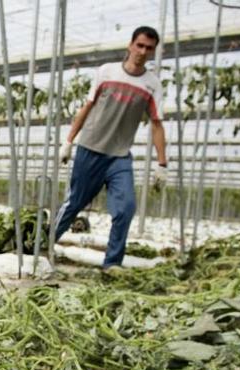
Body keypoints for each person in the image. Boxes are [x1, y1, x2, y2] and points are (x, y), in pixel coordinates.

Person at [55, 26, 168, 270]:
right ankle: (41, 246)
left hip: (119, 157)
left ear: (153, 52)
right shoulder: (106, 72)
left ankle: (111, 265)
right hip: (90, 148)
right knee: (74, 203)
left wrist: (162, 164)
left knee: (126, 208)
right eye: (139, 45)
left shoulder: (152, 85)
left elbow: (157, 124)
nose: (142, 51)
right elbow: (87, 107)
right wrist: (68, 141)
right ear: (130, 45)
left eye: (148, 48)